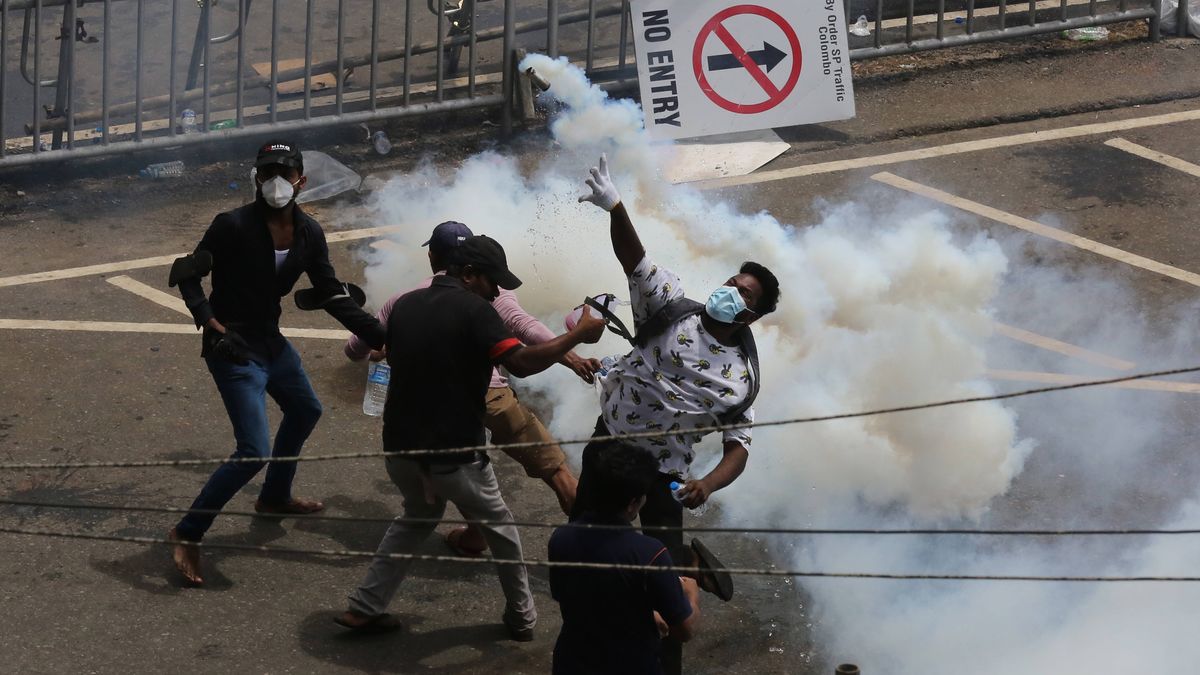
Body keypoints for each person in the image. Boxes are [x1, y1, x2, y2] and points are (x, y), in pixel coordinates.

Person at [333, 235, 607, 638]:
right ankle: (522, 618)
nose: (496, 291)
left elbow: (364, 347)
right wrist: (576, 336)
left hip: (401, 447)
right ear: (468, 273)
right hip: (453, 451)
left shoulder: (404, 303)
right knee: (503, 532)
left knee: (415, 518)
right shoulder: (475, 310)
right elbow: (521, 362)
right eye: (492, 281)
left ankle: (365, 607)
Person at [575, 154, 781, 674]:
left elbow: (740, 446)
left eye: (744, 293)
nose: (731, 292)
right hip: (608, 442)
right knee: (582, 544)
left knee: (660, 578)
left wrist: (708, 485)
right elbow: (635, 260)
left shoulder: (739, 378)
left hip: (662, 471)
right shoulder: (671, 308)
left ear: (752, 315)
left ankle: (666, 660)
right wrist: (615, 207)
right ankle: (594, 633)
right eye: (731, 281)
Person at [166, 140, 366, 585]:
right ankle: (187, 531)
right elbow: (187, 272)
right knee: (252, 450)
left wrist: (378, 335)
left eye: (285, 172)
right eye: (268, 172)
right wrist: (207, 320)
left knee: (306, 409)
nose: (276, 181)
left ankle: (273, 497)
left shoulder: (310, 233)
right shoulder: (232, 225)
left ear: (301, 180)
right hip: (233, 346)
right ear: (257, 178)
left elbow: (332, 293)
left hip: (271, 341)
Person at [548, 440, 700, 675]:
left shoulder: (560, 539)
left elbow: (570, 597)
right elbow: (684, 630)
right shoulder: (650, 553)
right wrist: (691, 592)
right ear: (632, 504)